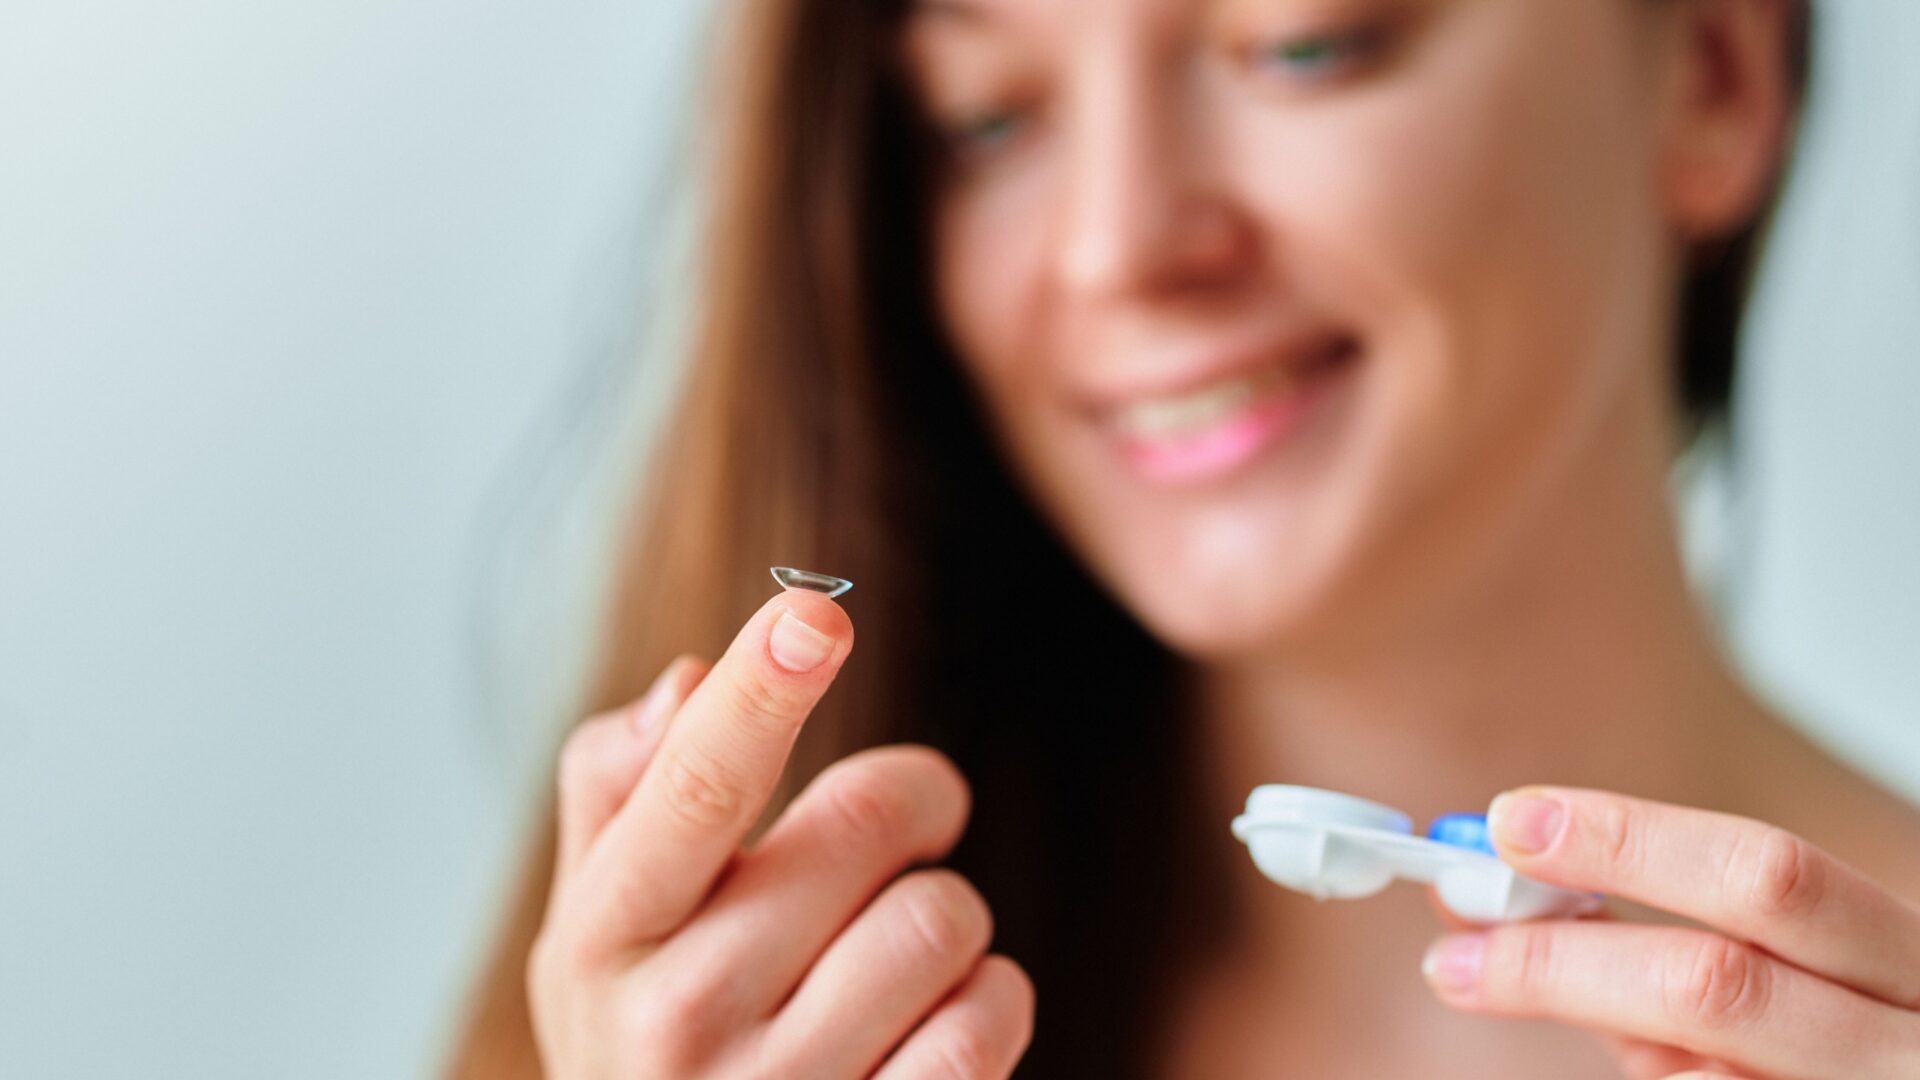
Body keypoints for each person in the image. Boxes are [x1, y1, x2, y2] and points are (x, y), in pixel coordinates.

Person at [450, 0, 1920, 1076]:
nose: (1118, 245)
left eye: (1301, 44)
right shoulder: (716, 1021)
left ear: (1716, 77)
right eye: (988, 116)